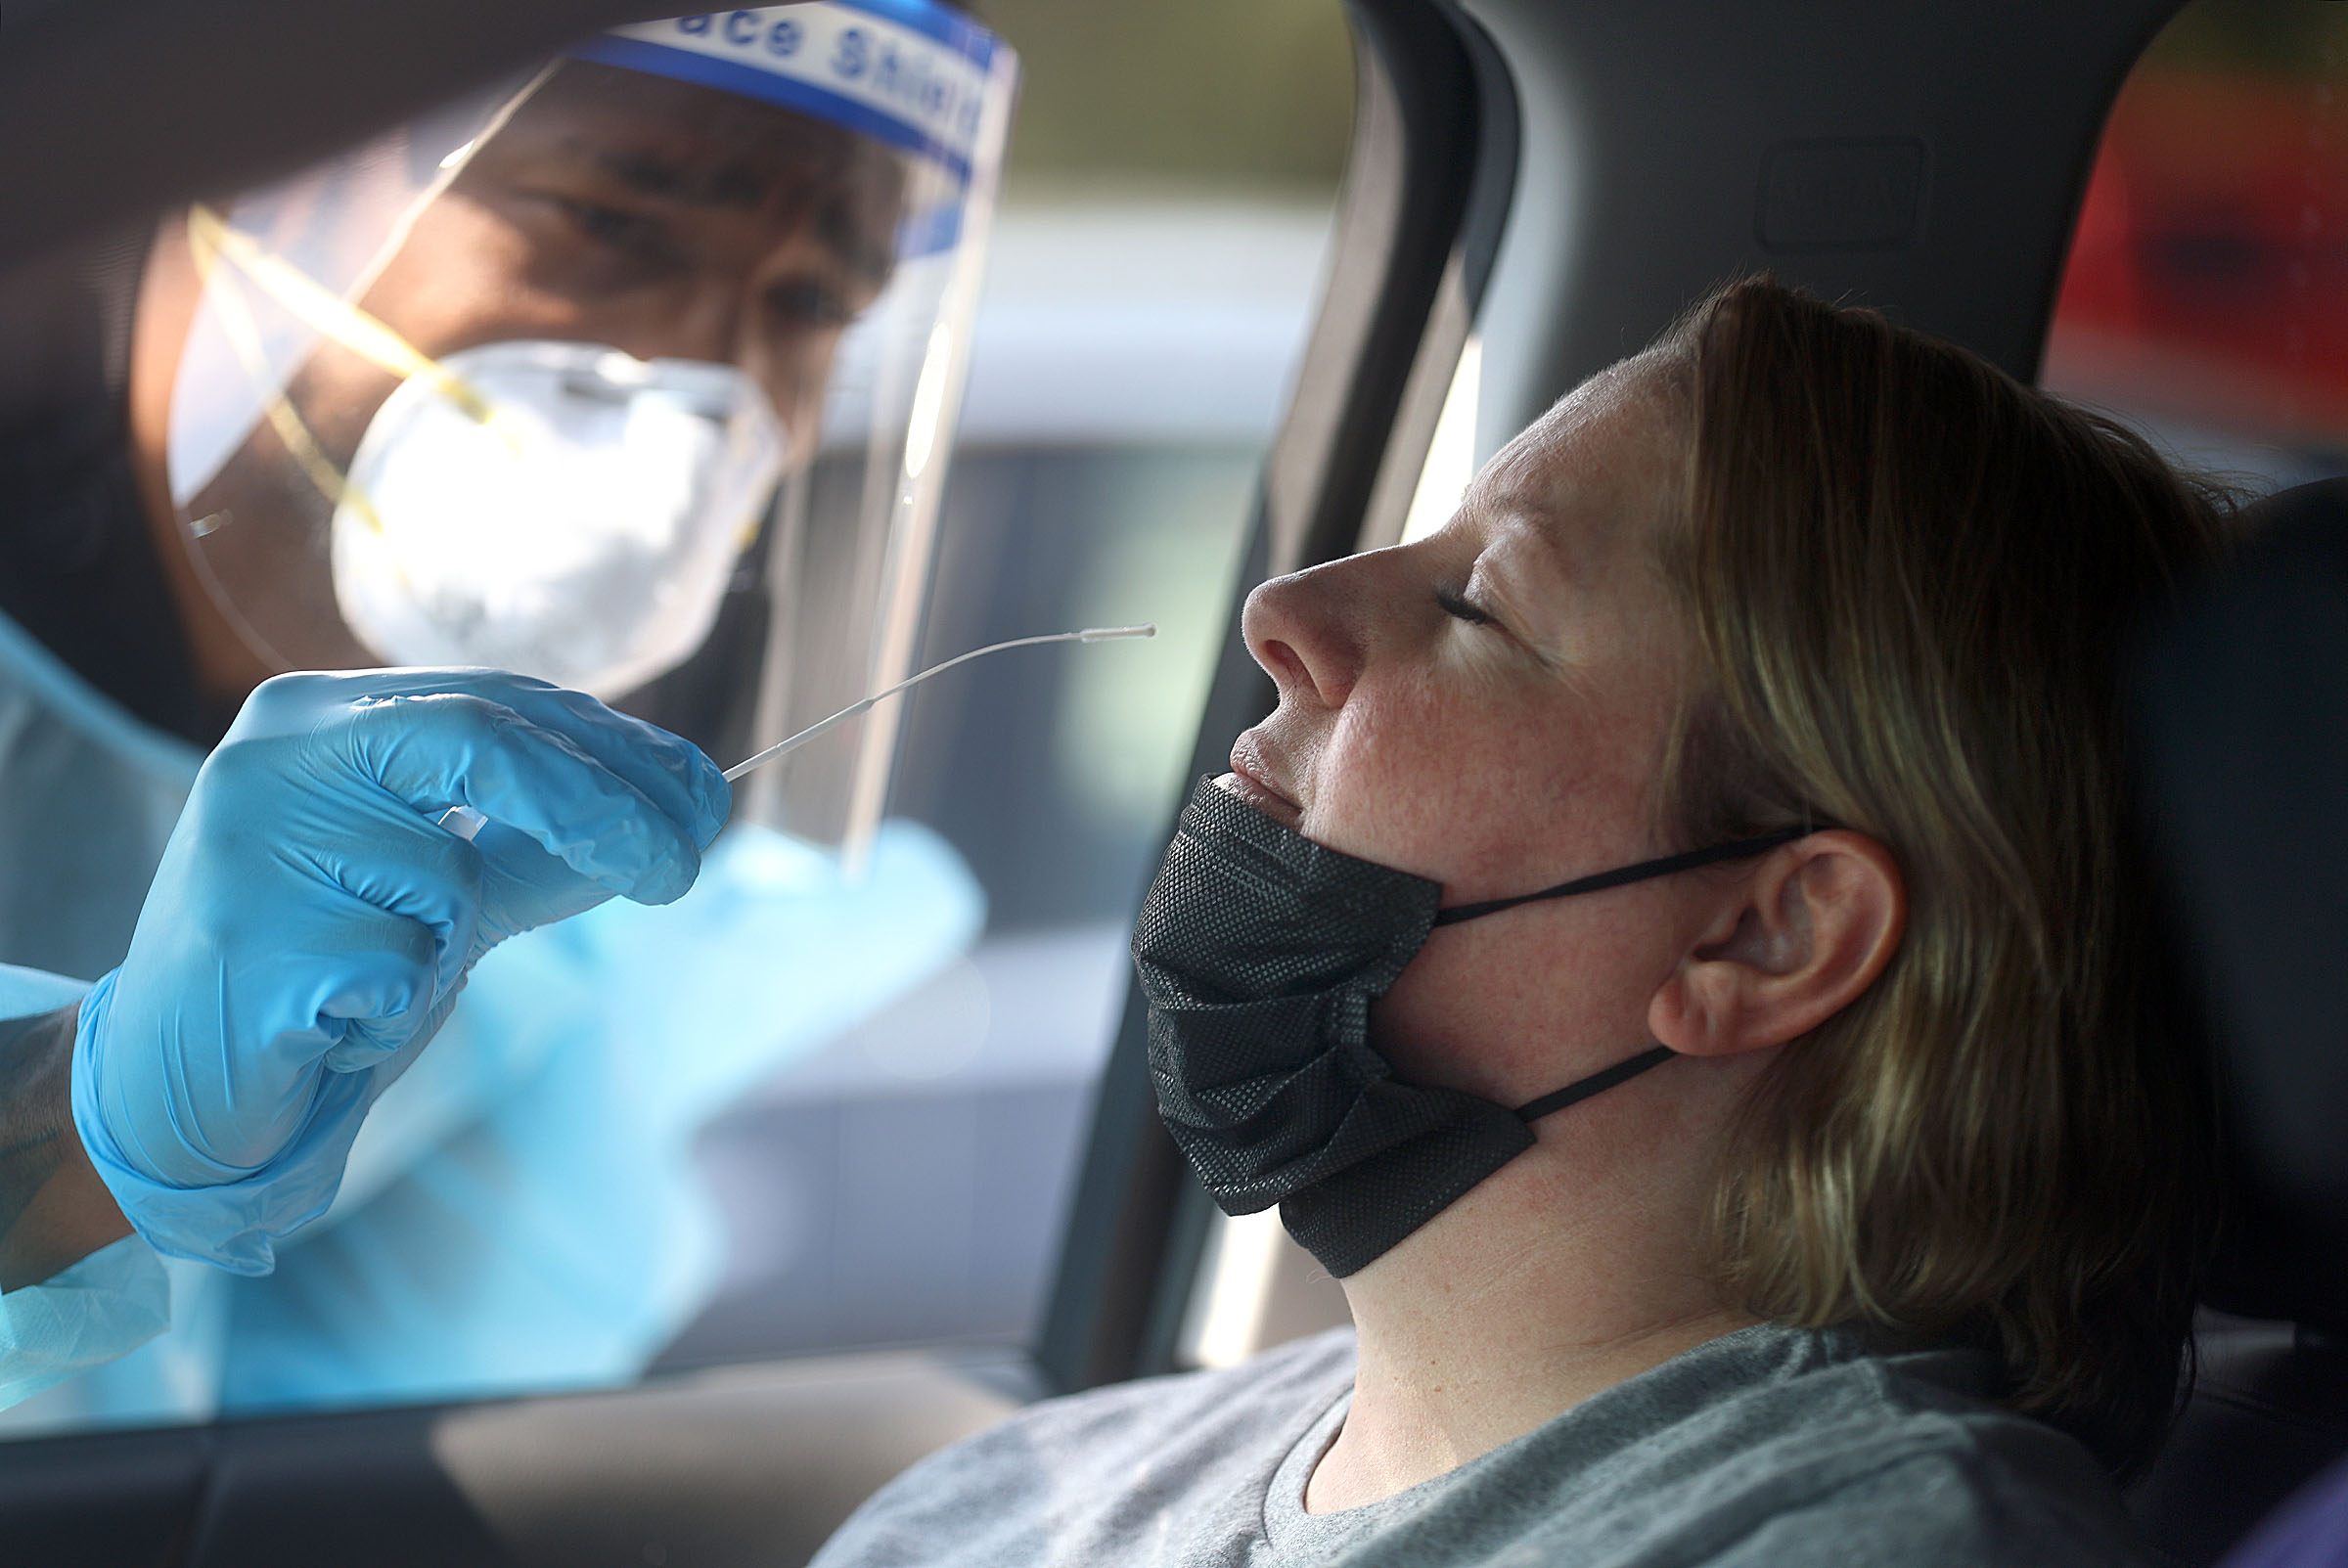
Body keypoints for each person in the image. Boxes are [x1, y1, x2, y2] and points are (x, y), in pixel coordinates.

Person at [807, 277, 2226, 1567]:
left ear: (1768, 937)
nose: (1282, 611)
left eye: (1478, 604)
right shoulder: (1014, 1492)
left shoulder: (1866, 1543)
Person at [0, 1, 1016, 1422]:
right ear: (250, 165)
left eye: (808, 305)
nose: (695, 397)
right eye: (615, 223)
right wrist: (60, 1128)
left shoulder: (546, 865)